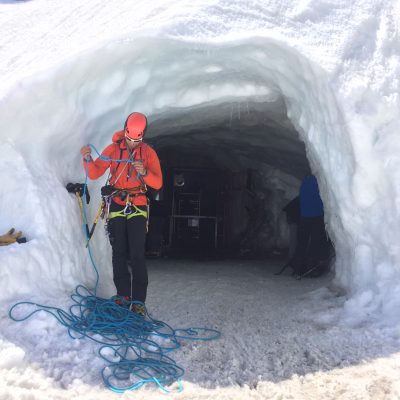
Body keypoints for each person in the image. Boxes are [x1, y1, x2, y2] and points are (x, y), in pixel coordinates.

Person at [80, 112, 162, 314]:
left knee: (136, 254)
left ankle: (138, 302)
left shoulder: (148, 153)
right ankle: (123, 296)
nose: (133, 144)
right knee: (119, 253)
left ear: (142, 136)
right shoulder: (114, 150)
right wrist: (87, 157)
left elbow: (157, 183)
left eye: (137, 140)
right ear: (125, 131)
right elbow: (94, 172)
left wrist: (144, 172)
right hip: (117, 203)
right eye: (130, 139)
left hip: (138, 204)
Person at [291, 174, 329, 278]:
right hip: (317, 217)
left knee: (302, 243)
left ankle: (298, 268)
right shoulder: (319, 182)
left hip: (304, 217)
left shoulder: (304, 183)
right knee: (315, 243)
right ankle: (312, 268)